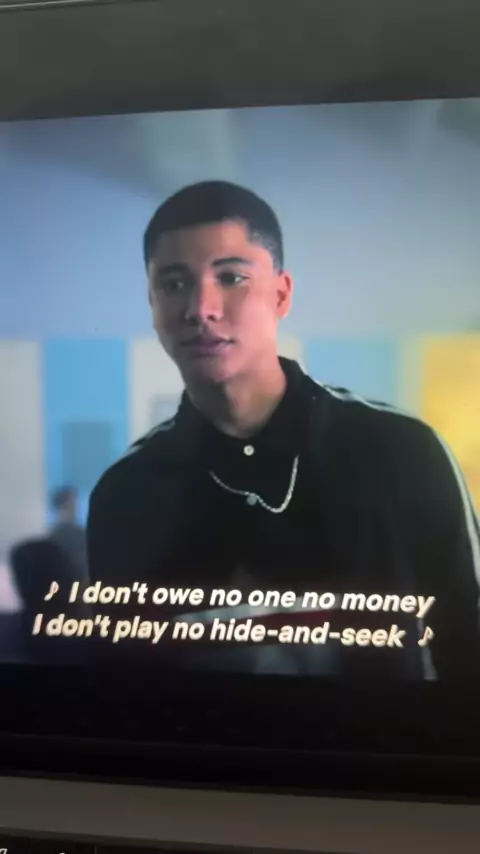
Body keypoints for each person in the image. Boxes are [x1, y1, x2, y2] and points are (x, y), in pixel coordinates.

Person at [87, 180, 480, 679]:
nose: (200, 308)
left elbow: (468, 647)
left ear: (281, 293)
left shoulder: (405, 451)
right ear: (152, 303)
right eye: (174, 284)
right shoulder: (124, 494)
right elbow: (125, 691)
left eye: (231, 277)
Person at [50, 486, 88, 581]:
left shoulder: (83, 534)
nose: (74, 509)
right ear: (59, 508)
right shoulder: (54, 539)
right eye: (70, 505)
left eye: (75, 505)